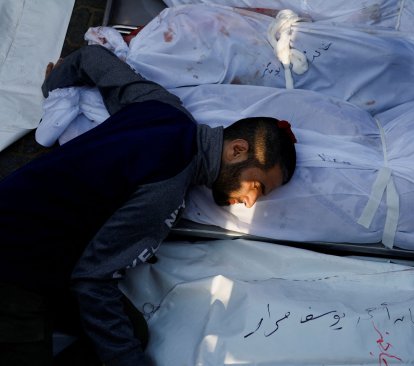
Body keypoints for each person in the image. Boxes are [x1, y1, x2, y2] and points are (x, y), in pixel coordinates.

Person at [0, 45, 296, 366]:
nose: (250, 201)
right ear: (237, 150)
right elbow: (92, 280)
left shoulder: (162, 107)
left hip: (15, 209)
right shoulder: (168, 185)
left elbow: (93, 58)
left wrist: (55, 84)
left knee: (133, 331)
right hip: (17, 268)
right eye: (257, 186)